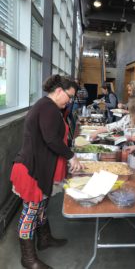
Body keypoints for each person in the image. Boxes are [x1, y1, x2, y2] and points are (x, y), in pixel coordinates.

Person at [10, 75, 83, 269]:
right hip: (32, 170)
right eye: (70, 96)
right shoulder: (47, 107)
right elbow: (51, 138)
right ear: (59, 91)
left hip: (41, 168)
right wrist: (71, 156)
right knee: (30, 212)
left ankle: (44, 239)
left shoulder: (50, 107)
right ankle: (27, 258)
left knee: (41, 206)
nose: (70, 101)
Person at [90, 93, 135, 172]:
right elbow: (113, 126)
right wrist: (97, 132)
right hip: (131, 156)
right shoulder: (128, 118)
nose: (127, 107)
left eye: (129, 105)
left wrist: (129, 138)